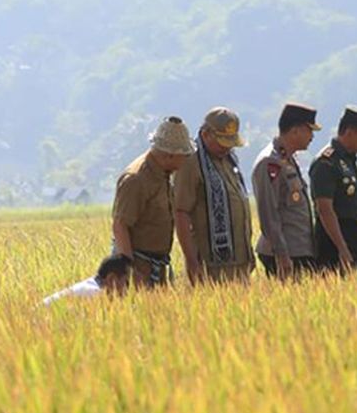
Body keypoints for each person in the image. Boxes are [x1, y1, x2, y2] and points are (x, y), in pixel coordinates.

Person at [174, 107, 254, 284]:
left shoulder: (229, 159)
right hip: (211, 266)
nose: (227, 147)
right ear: (205, 134)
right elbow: (181, 213)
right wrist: (191, 261)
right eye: (221, 141)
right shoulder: (191, 163)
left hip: (240, 261)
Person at [111, 116, 194, 288]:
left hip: (157, 266)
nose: (185, 160)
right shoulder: (136, 179)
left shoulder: (163, 174)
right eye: (183, 156)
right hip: (138, 268)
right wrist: (129, 270)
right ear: (169, 155)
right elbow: (120, 225)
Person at [251, 102, 321, 279]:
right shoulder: (270, 162)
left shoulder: (287, 159)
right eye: (309, 130)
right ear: (295, 130)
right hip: (285, 253)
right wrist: (281, 254)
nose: (312, 136)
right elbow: (269, 213)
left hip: (299, 249)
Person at [310, 105, 357, 272]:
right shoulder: (326, 162)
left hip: (356, 241)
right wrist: (341, 247)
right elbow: (325, 209)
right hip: (333, 245)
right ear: (350, 132)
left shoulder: (354, 162)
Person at [42, 253, 132, 305]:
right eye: (127, 283)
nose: (128, 290)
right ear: (111, 279)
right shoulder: (95, 294)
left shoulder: (92, 286)